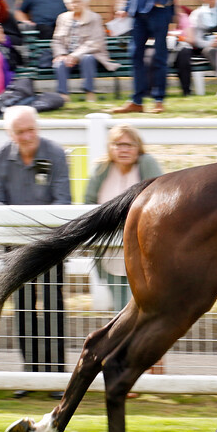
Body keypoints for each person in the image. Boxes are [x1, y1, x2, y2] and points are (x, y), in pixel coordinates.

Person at [0, 105, 71, 397]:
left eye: (31, 128)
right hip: (15, 247)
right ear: (11, 134)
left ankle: (57, 378)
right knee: (22, 309)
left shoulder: (55, 153)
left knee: (52, 307)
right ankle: (31, 374)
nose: (28, 136)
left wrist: (34, 231)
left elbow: (63, 201)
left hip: (50, 244)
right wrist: (21, 229)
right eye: (21, 131)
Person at [85, 124, 162, 312]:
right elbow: (88, 203)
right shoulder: (100, 170)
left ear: (138, 147)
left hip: (141, 247)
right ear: (110, 148)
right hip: (109, 247)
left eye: (129, 145)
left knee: (144, 302)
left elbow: (161, 200)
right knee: (122, 304)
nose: (123, 149)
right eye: (118, 144)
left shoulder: (147, 164)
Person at [111, 0, 183, 115]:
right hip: (138, 11)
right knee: (135, 54)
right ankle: (137, 101)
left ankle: (159, 100)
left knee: (159, 55)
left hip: (158, 10)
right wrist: (128, 6)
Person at [52, 0, 119, 103]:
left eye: (78, 1)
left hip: (90, 56)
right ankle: (63, 95)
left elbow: (95, 42)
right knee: (59, 63)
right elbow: (57, 40)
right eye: (72, 2)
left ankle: (90, 93)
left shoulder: (94, 18)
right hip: (68, 57)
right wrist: (62, 54)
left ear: (85, 2)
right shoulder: (62, 18)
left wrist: (75, 55)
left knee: (87, 58)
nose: (75, 5)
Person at [177, 0, 217, 97]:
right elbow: (197, 39)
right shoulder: (196, 15)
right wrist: (209, 44)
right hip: (210, 47)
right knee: (211, 50)